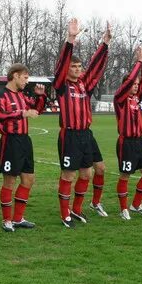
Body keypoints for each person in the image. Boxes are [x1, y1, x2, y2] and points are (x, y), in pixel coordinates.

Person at [53, 18, 111, 228]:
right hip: (69, 135)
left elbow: (96, 68)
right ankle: (64, 214)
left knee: (87, 173)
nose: (77, 70)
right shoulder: (61, 84)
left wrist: (104, 44)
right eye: (73, 66)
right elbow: (60, 65)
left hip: (86, 134)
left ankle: (76, 209)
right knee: (68, 175)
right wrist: (70, 39)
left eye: (79, 67)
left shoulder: (84, 86)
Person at [0, 64, 47, 232]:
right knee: (9, 180)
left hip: (25, 141)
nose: (26, 81)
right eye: (25, 77)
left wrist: (40, 97)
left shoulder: (22, 96)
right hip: (10, 142)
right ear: (15, 76)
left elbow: (37, 110)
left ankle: (18, 218)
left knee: (28, 179)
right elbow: (0, 116)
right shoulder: (1, 95)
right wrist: (22, 113)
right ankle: (6, 220)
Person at [114, 43, 142, 220]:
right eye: (133, 84)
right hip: (126, 142)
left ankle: (136, 204)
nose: (136, 86)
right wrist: (138, 61)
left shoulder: (136, 98)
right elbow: (130, 81)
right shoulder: (119, 99)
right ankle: (124, 209)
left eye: (137, 84)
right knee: (125, 175)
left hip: (140, 142)